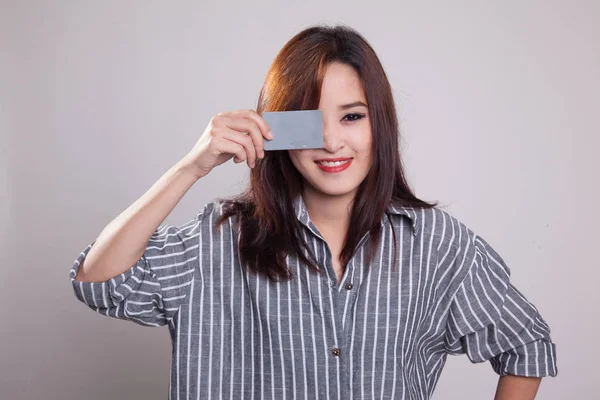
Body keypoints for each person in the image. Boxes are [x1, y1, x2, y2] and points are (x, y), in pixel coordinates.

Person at [69, 24, 558, 399]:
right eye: (310, 119)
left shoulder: (434, 243)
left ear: (377, 124)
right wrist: (191, 167)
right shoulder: (219, 240)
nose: (330, 141)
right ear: (278, 127)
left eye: (352, 116)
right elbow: (100, 283)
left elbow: (525, 342)